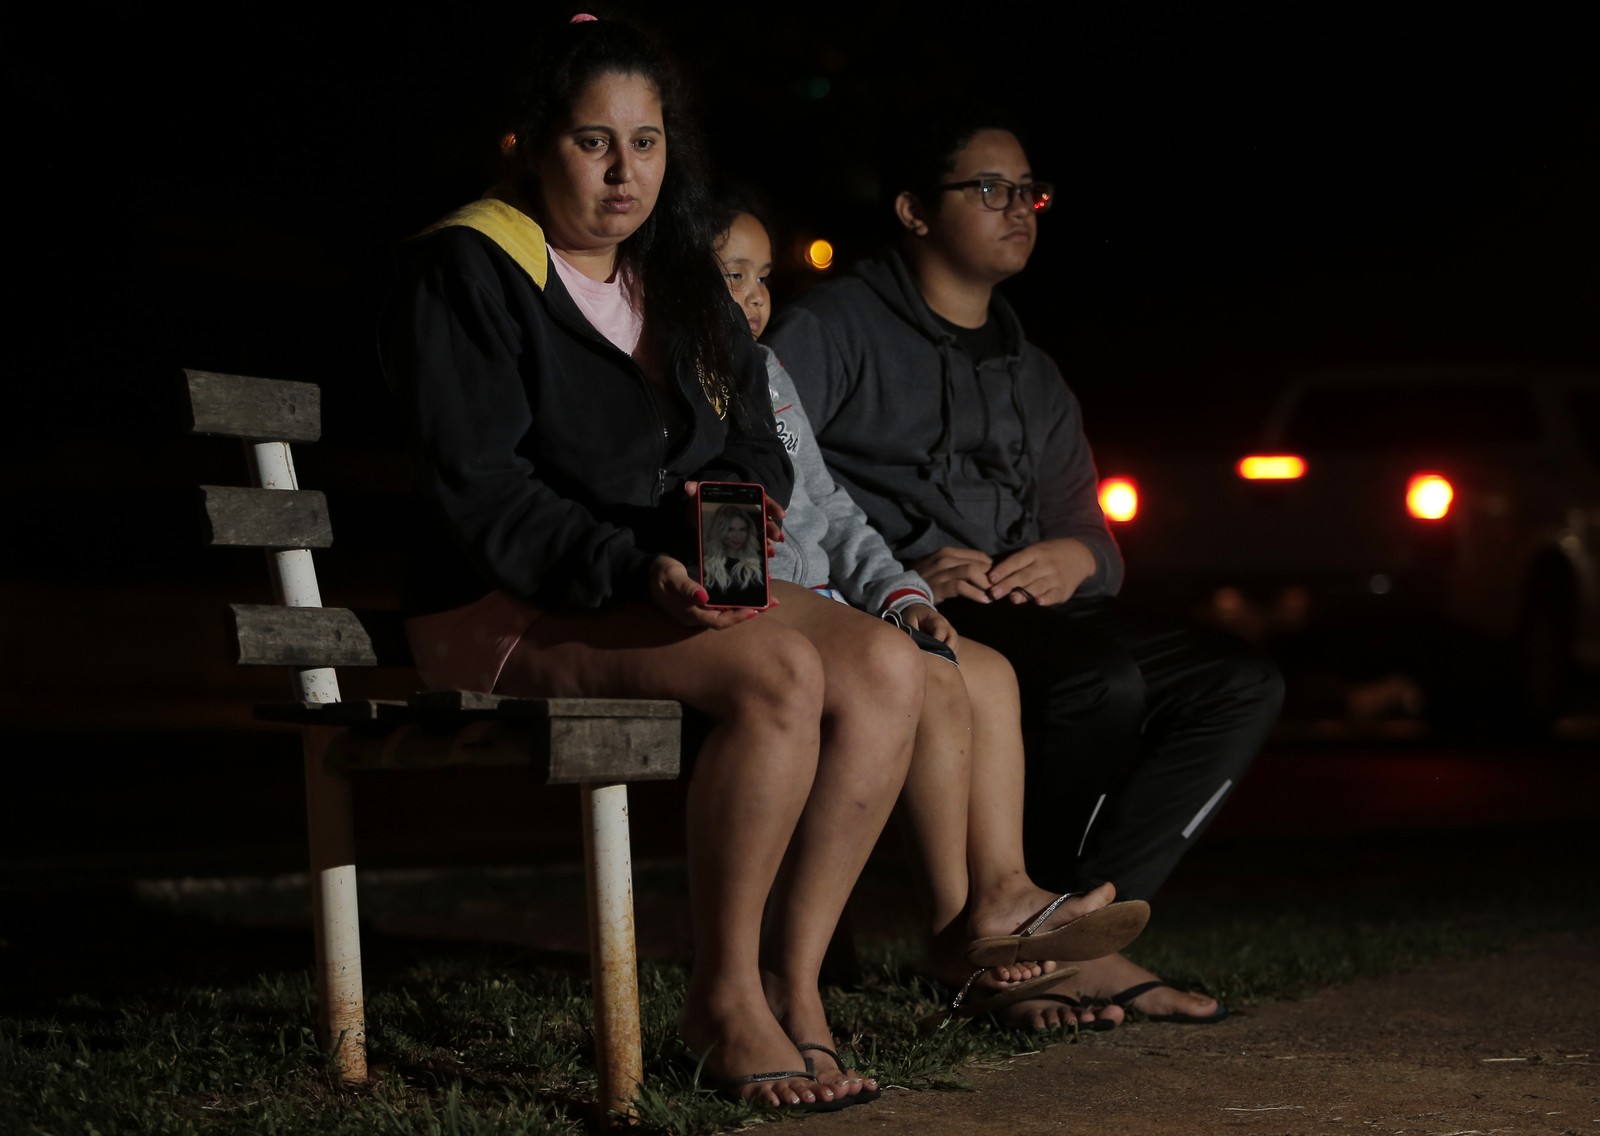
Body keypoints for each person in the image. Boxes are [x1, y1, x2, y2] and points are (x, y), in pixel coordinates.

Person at [376, 14, 931, 1110]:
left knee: (884, 667)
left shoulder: (671, 274)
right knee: (780, 674)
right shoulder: (472, 267)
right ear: (533, 144)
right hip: (509, 600)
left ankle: (792, 983)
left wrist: (730, 531)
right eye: (592, 142)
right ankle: (722, 999)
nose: (623, 171)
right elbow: (484, 489)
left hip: (652, 583)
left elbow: (755, 442)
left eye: (646, 141)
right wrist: (634, 568)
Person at [763, 102, 1287, 1025]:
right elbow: (773, 463)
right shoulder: (838, 326)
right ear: (916, 210)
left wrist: (1071, 556)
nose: (1020, 209)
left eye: (1030, 192)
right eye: (990, 188)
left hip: (1029, 604)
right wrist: (911, 564)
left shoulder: (1028, 368)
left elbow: (1097, 538)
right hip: (903, 599)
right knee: (1097, 682)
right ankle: (1006, 931)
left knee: (1238, 682)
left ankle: (1074, 931)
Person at [714, 200, 1151, 1032]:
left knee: (985, 669)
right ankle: (960, 929)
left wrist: (899, 594)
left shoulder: (763, 373)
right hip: (762, 608)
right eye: (731, 275)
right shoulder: (687, 377)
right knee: (935, 679)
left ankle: (999, 889)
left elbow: (834, 513)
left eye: (763, 277)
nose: (756, 296)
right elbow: (727, 529)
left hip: (833, 600)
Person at [699, 501, 766, 607]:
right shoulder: (706, 564)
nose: (737, 536)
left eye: (742, 529)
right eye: (731, 529)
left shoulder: (757, 563)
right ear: (720, 530)